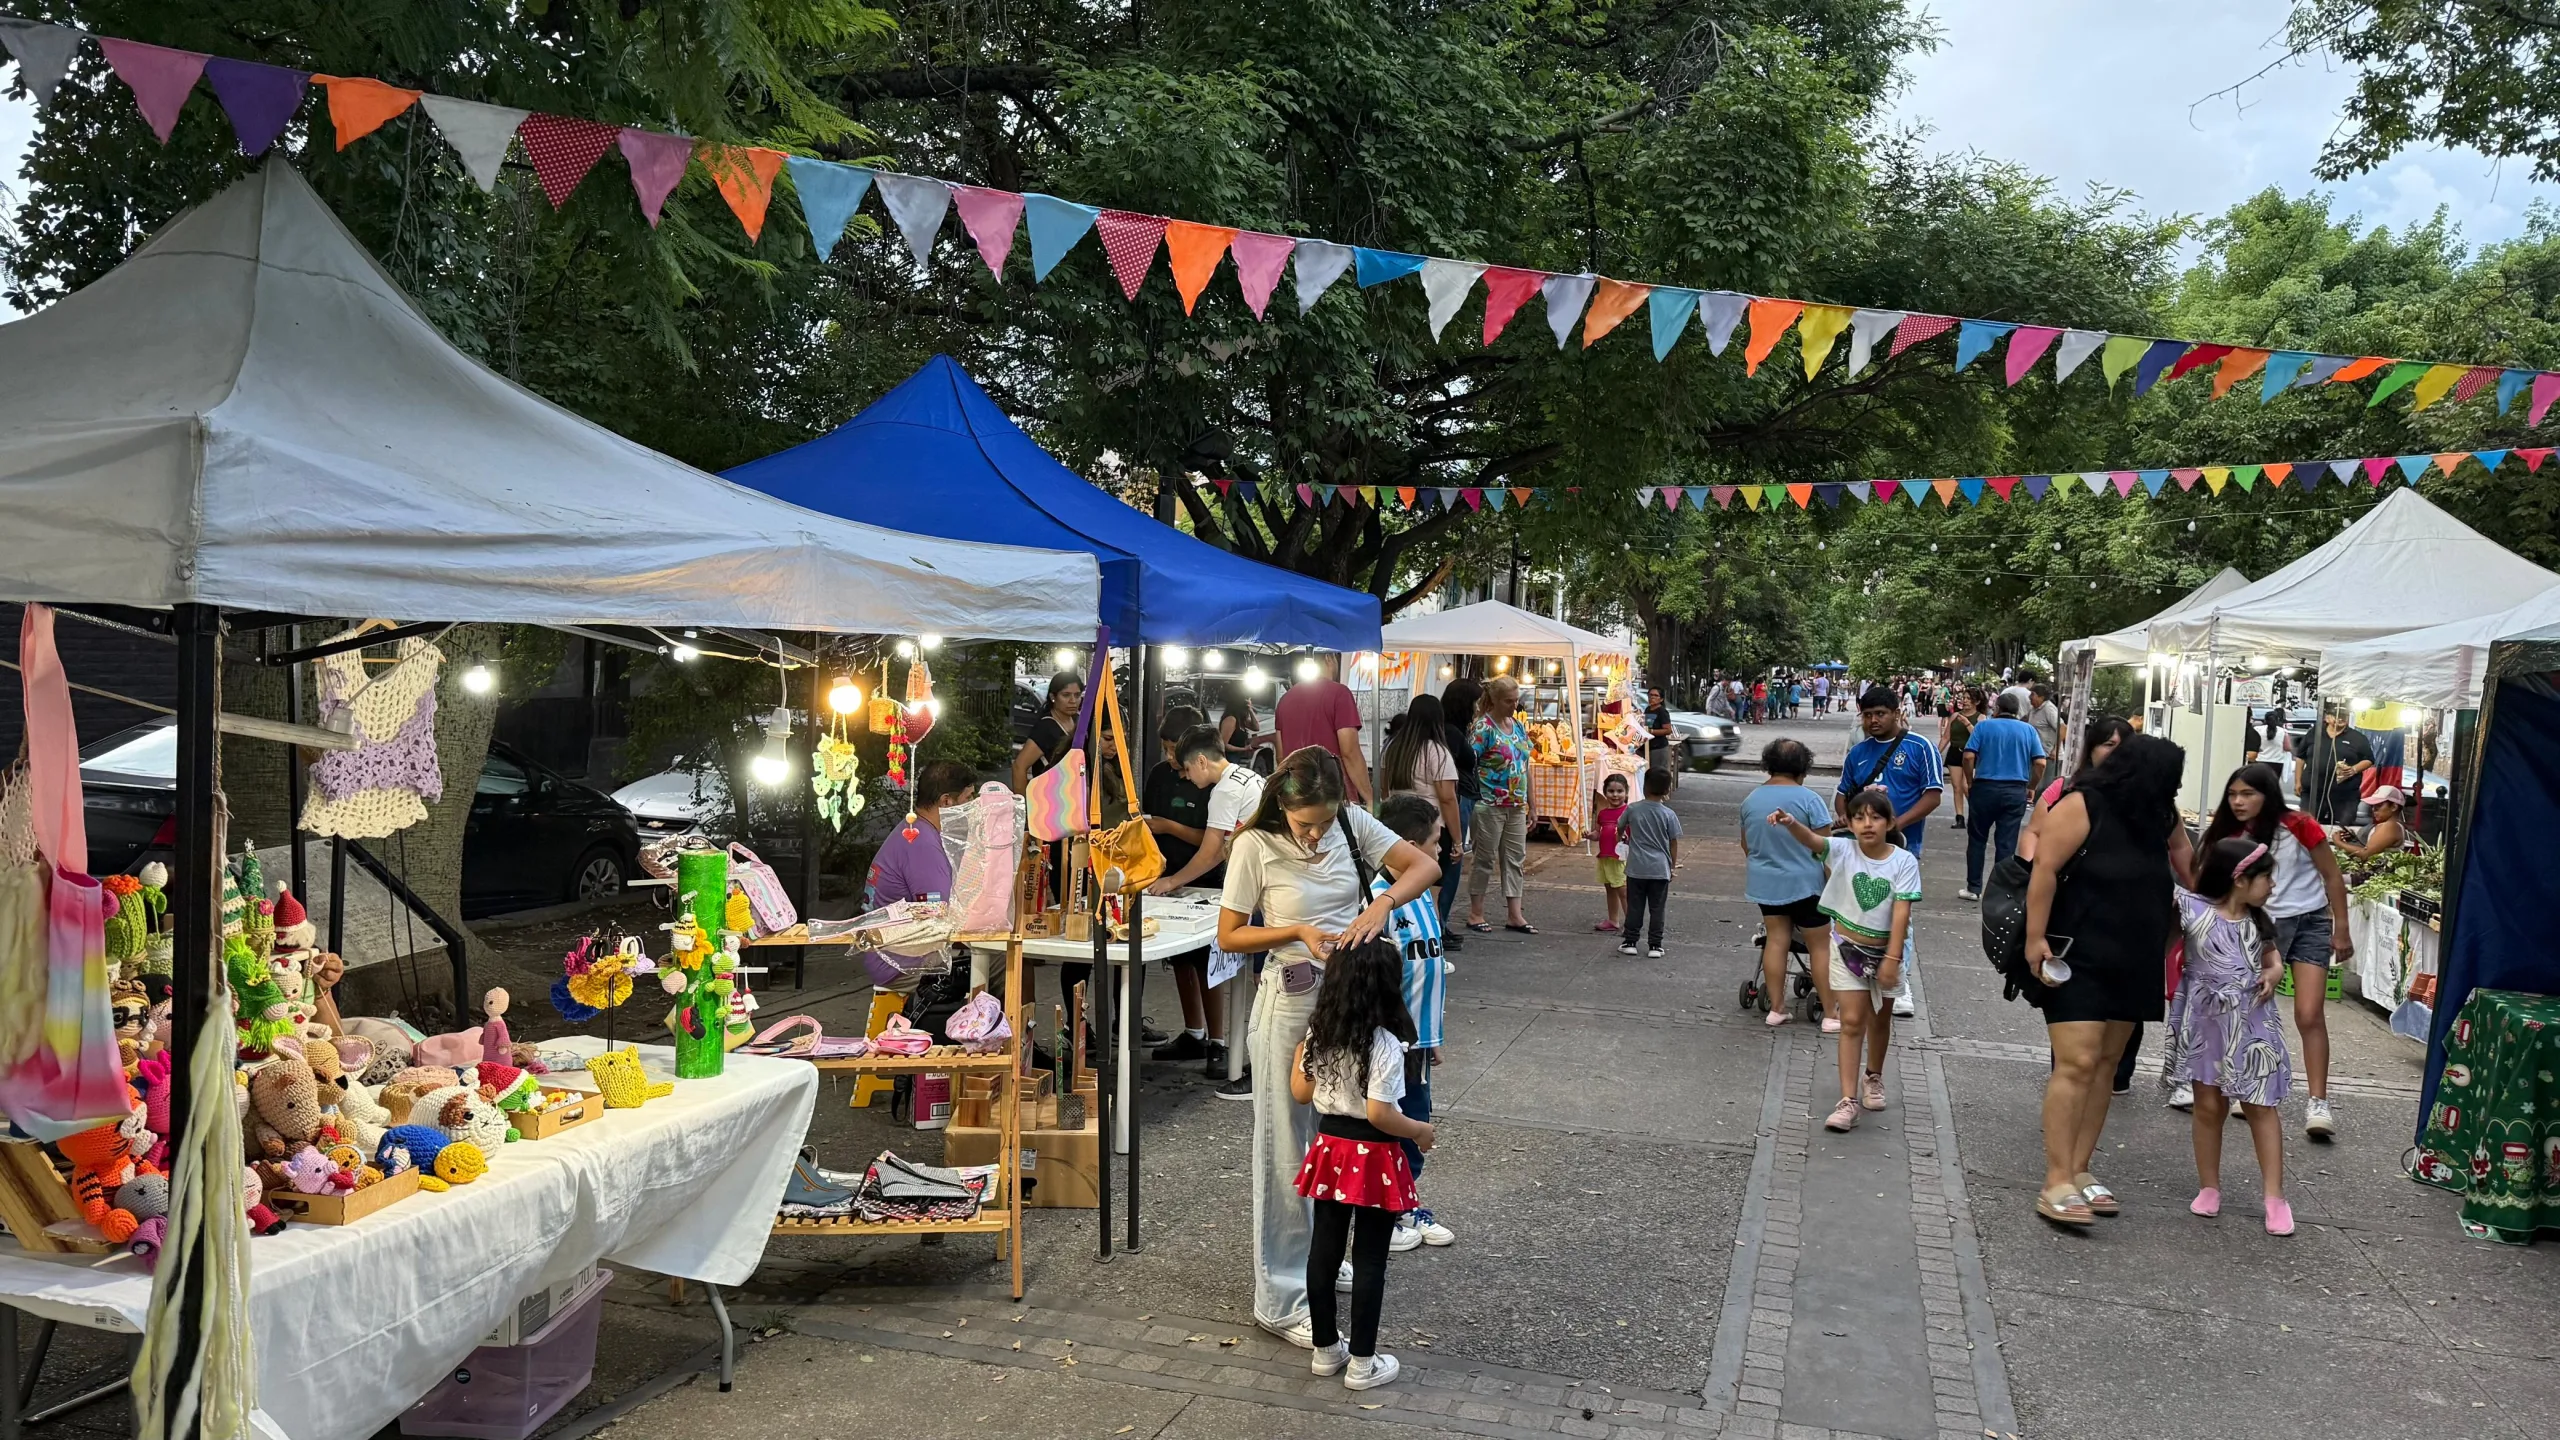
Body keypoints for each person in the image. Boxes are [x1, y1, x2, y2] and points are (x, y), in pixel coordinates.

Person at [1220, 747, 1439, 1347]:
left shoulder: (1351, 822)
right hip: (1291, 999)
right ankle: (1282, 1294)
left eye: (1322, 820)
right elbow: (1230, 935)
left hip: (1349, 1002)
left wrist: (1382, 902)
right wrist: (1295, 931)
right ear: (1281, 808)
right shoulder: (1252, 845)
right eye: (1302, 823)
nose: (1315, 834)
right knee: (1288, 1144)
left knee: (1337, 1136)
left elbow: (1423, 868)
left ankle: (1315, 1264)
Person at [2024, 733, 2191, 1227]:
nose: (2174, 789)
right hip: (2077, 951)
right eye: (2170, 779)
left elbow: (2191, 868)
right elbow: (2045, 871)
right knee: (2076, 1062)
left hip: (2137, 954)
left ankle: (2079, 1169)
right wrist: (2036, 939)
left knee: (2107, 1064)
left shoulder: (2161, 814)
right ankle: (2055, 1178)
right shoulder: (2082, 804)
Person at [1289, 931, 1433, 1391]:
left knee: (1324, 1251)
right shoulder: (1385, 1044)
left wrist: (1300, 1053)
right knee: (1370, 1259)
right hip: (1373, 1155)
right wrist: (1419, 1131)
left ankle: (1326, 1349)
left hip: (1331, 1150)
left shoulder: (1321, 1032)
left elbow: (1301, 1092)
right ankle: (1363, 1363)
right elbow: (1379, 1113)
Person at [2199, 764, 2352, 1139]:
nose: (2238, 801)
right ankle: (2246, 1085)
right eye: (2233, 794)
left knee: (2310, 1013)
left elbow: (2332, 874)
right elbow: (2205, 874)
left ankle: (2319, 1102)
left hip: (2311, 920)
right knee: (2250, 1010)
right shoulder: (2229, 833)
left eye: (2247, 794)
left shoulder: (2299, 825)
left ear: (2267, 794)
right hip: (2258, 926)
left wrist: (2341, 929)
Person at [2167, 837, 2295, 1237]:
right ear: (2240, 879)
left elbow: (2272, 958)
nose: (2272, 885)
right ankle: (2209, 1185)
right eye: (2266, 878)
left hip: (2254, 1028)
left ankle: (2274, 1196)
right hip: (2207, 1024)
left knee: (2261, 1106)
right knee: (2207, 1105)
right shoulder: (2190, 908)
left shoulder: (2259, 919)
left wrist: (2274, 971)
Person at [1769, 790, 1919, 1132]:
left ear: (1889, 822)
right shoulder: (1842, 850)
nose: (1868, 824)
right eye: (1860, 817)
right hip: (1846, 948)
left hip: (1887, 952)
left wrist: (1893, 959)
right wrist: (1792, 823)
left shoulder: (1903, 861)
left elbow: (1901, 913)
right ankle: (1847, 1100)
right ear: (1849, 823)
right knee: (1851, 1022)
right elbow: (1812, 840)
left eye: (1876, 817)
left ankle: (1873, 1076)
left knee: (1880, 1021)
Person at [1149, 726, 1266, 1090]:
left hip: (1261, 887)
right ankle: (1209, 1038)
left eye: (1187, 769)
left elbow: (1211, 852)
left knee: (1255, 973)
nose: (1185, 776)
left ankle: (1239, 1055)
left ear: (1202, 760)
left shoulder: (1225, 790)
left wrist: (1172, 881)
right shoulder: (1249, 776)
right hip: (1262, 880)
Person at [1369, 793, 1454, 1251]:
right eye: (1435, 842)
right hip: (1391, 1040)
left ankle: (1405, 1202)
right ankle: (1392, 1212)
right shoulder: (1378, 901)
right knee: (1398, 1124)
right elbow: (1379, 977)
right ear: (1407, 845)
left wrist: (1433, 1033)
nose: (1440, 851)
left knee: (1416, 1116)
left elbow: (1428, 966)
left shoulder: (1422, 894)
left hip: (1419, 1039)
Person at [1838, 686, 1941, 1021]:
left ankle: (1900, 980)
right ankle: (1854, 979)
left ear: (1897, 712)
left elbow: (1933, 795)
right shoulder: (1858, 753)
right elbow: (1843, 793)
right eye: (1867, 716)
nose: (1873, 721)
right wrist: (1846, 816)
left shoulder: (1919, 746)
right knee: (1859, 912)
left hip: (1903, 848)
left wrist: (1896, 824)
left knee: (1899, 916)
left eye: (1879, 714)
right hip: (1861, 849)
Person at [856, 760, 982, 994]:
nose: (972, 806)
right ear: (947, 801)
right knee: (1002, 963)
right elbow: (937, 915)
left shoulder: (914, 829)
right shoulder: (922, 844)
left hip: (890, 952)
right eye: (968, 798)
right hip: (900, 963)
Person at [1141, 708, 1221, 1063]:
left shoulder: (1214, 782)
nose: (1171, 758)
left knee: (1209, 963)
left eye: (1176, 750)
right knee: (1180, 960)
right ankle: (1194, 1033)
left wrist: (1170, 827)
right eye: (1166, 748)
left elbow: (1214, 843)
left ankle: (1218, 1041)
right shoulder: (1160, 775)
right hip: (1166, 878)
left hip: (1206, 881)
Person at [1743, 738, 1836, 1031]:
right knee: (1819, 946)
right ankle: (1832, 1014)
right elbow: (1826, 848)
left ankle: (1777, 1009)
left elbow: (1747, 845)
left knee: (1776, 940)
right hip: (1807, 884)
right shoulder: (1810, 799)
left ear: (1768, 765)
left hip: (1766, 884)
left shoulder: (1750, 800)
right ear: (1803, 767)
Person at [1960, 692, 2048, 901]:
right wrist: (2032, 786)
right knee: (2006, 842)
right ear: (2017, 711)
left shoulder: (1983, 727)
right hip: (2014, 790)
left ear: (1996, 709)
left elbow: (1968, 755)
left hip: (1985, 788)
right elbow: (2040, 762)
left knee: (1977, 839)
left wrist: (1970, 781)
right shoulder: (2028, 730)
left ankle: (1974, 888)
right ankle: (2001, 891)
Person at [1464, 677, 1534, 935]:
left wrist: (1532, 804)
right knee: (1484, 857)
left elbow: (1527, 766)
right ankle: (1476, 912)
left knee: (1515, 859)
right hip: (1489, 804)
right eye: (1509, 701)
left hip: (1516, 804)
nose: (1514, 705)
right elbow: (1470, 763)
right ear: (1494, 700)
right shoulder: (1483, 728)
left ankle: (1515, 914)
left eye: (1516, 699)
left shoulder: (1516, 726)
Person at [1276, 655, 1370, 805]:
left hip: (1298, 798)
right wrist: (1370, 798)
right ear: (1329, 658)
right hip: (1335, 796)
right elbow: (1349, 753)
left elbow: (1281, 757)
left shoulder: (1285, 700)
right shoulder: (1340, 694)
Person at [1435, 678, 1482, 948]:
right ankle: (1439, 925)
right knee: (1452, 862)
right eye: (1475, 702)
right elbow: (1447, 778)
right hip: (1457, 798)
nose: (1478, 708)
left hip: (1462, 797)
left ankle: (1442, 923)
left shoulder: (1456, 730)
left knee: (1451, 864)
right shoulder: (1451, 732)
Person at [1614, 768, 1682, 957]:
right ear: (1667, 790)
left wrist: (1621, 840)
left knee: (1635, 906)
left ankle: (1630, 941)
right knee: (1657, 908)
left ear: (1645, 786)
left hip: (1636, 867)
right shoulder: (1669, 814)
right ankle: (1655, 945)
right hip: (1660, 868)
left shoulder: (1633, 809)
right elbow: (1674, 842)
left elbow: (1619, 827)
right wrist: (1672, 865)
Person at [2296, 707, 2374, 826]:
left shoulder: (2357, 737)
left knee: (2342, 828)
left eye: (2344, 715)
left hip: (2344, 794)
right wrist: (2297, 781)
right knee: (2308, 826)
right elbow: (2300, 757)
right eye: (2336, 715)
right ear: (2327, 718)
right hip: (2313, 792)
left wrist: (2354, 769)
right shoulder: (2314, 733)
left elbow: (2369, 759)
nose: (2340, 718)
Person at [1012, 670, 1084, 794]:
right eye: (1066, 695)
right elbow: (1019, 766)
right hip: (1049, 800)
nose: (1073, 701)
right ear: (1053, 697)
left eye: (1077, 695)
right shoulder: (1046, 727)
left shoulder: (1077, 720)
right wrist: (1024, 806)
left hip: (1074, 798)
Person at [1591, 772, 1631, 933]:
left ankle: (1631, 923)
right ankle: (1613, 920)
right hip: (1605, 857)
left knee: (1623, 891)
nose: (1615, 795)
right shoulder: (1602, 813)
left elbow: (1635, 834)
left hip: (1620, 858)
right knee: (1609, 888)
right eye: (1611, 791)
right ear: (1605, 792)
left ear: (1626, 792)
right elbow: (1598, 834)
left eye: (1619, 791)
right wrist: (1589, 835)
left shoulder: (1629, 812)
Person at [2330, 784, 2408, 860]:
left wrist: (2338, 842)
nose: (2374, 809)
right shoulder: (2390, 826)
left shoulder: (2390, 826)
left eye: (2379, 805)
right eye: (2373, 806)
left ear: (2394, 807)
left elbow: (2366, 854)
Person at [1940, 689, 1979, 827]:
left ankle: (1976, 813)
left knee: (1966, 786)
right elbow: (1946, 737)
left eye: (1969, 698)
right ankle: (1960, 817)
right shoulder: (1955, 716)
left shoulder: (1981, 717)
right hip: (1955, 752)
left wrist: (1967, 723)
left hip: (1971, 754)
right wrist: (1937, 753)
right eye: (1964, 698)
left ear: (1977, 702)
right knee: (1957, 786)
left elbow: (1978, 736)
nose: (1965, 701)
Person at [1221, 681, 1269, 771]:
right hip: (1230, 758)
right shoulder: (1231, 719)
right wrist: (1243, 749)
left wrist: (1250, 710)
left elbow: (1256, 727)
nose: (1250, 701)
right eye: (1248, 699)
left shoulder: (1240, 719)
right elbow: (1223, 745)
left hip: (1236, 757)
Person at [1643, 687, 1676, 782]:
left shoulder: (1662, 712)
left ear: (1661, 699)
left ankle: (1660, 794)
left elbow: (1668, 730)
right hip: (1649, 746)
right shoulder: (1647, 709)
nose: (1652, 697)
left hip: (1659, 748)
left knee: (1658, 774)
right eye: (1650, 695)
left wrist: (1652, 731)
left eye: (1655, 695)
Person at [2025, 682, 2062, 757]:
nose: (2029, 697)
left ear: (2041, 697)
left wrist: (2056, 750)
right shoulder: (2033, 709)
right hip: (2038, 754)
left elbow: (2063, 728)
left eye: (2032, 694)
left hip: (2049, 756)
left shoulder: (2048, 709)